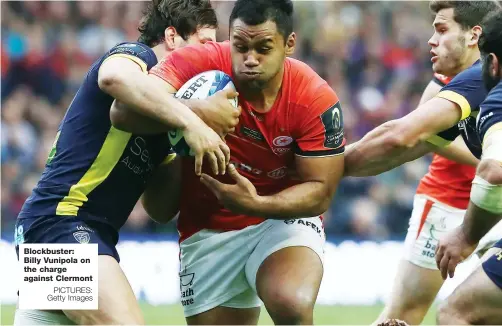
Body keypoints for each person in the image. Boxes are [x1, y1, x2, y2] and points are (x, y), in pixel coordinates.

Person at [113, 0, 345, 323]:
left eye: (263, 48)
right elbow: (122, 112)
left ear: (289, 44)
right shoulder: (200, 61)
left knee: (290, 301)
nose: (250, 59)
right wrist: (196, 114)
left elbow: (320, 192)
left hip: (278, 218)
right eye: (240, 46)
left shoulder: (313, 98)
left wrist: (256, 204)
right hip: (207, 226)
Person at [13, 1, 238, 325]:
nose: (209, 58)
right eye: (204, 44)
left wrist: (188, 148)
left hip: (65, 232)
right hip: (60, 224)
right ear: (172, 38)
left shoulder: (166, 118)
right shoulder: (138, 57)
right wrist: (194, 118)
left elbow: (159, 209)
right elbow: (112, 79)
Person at [371, 2, 502, 325]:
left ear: (475, 35)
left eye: (441, 29)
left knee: (473, 311)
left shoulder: (491, 77)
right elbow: (420, 137)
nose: (432, 40)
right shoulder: (445, 83)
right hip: (449, 203)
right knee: (403, 315)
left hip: (492, 202)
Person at [435, 10, 502, 324]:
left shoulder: (496, 97)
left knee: (456, 314)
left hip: (449, 197)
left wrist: (466, 234)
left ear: (493, 63)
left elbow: (494, 171)